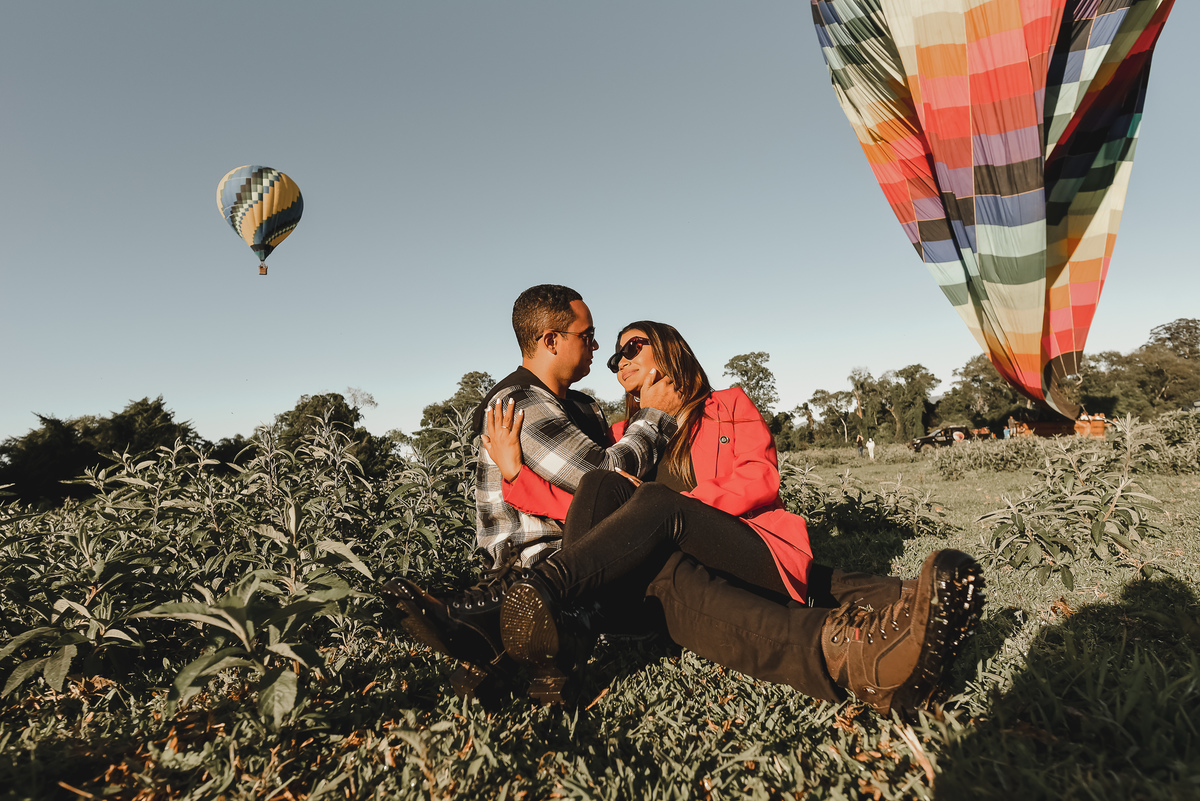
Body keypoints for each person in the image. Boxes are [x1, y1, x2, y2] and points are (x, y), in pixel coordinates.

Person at [385, 292, 983, 718]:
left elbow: (759, 481)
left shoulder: (724, 405)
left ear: (670, 351)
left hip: (743, 539)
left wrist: (671, 505)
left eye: (631, 346)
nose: (616, 358)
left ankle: (514, 611)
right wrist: (516, 479)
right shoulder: (624, 432)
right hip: (677, 554)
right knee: (637, 524)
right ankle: (872, 639)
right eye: (610, 351)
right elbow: (596, 509)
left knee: (653, 513)